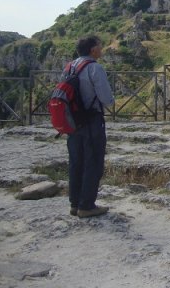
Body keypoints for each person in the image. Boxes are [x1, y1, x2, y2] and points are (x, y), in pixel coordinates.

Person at [66, 35, 114, 218]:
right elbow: (106, 99)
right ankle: (86, 205)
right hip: (91, 120)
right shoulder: (94, 68)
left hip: (73, 121)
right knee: (93, 161)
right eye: (100, 46)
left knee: (76, 161)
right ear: (93, 49)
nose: (102, 49)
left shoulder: (70, 67)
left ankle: (75, 203)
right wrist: (111, 101)